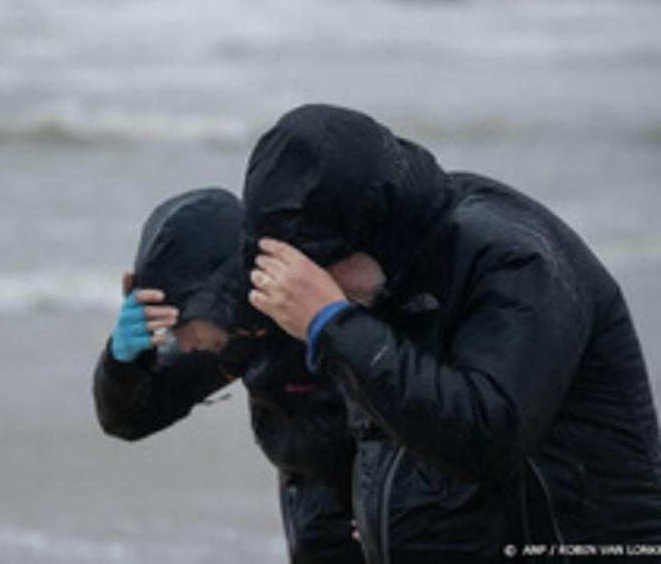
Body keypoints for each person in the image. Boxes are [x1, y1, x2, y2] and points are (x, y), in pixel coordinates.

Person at [243, 104, 661, 563]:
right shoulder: (390, 271)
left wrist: (332, 323)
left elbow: (483, 435)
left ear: (374, 228)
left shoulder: (514, 258)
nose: (321, 286)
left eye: (322, 267)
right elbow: (385, 435)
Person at [92, 187, 365, 564]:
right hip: (315, 523)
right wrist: (124, 363)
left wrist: (394, 517)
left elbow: (430, 416)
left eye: (179, 322)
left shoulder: (332, 308)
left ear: (215, 295)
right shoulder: (239, 336)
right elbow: (131, 419)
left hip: (395, 526)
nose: (180, 345)